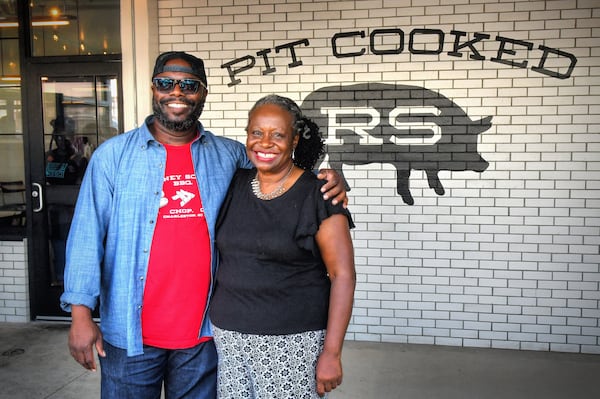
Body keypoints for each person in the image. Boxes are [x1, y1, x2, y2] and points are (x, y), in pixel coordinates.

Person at [59, 52, 347, 399]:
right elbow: (87, 237)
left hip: (205, 336)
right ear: (154, 89)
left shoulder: (228, 155)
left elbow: (277, 170)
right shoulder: (113, 157)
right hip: (130, 334)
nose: (177, 92)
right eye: (166, 83)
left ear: (204, 93)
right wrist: (80, 315)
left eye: (189, 85)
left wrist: (327, 178)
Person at [209, 94, 356, 398]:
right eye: (256, 133)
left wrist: (332, 353)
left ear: (295, 140)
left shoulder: (319, 195)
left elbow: (343, 276)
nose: (265, 143)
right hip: (229, 337)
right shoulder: (234, 182)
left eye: (278, 134)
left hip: (292, 340)